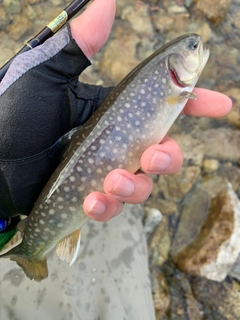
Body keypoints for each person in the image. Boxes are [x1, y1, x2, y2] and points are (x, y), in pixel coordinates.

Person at [0, 0, 232, 319]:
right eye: (193, 47)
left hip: (27, 213)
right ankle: (30, 251)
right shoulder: (176, 91)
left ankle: (27, 245)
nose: (197, 46)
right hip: (44, 209)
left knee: (123, 186)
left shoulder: (174, 88)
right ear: (173, 69)